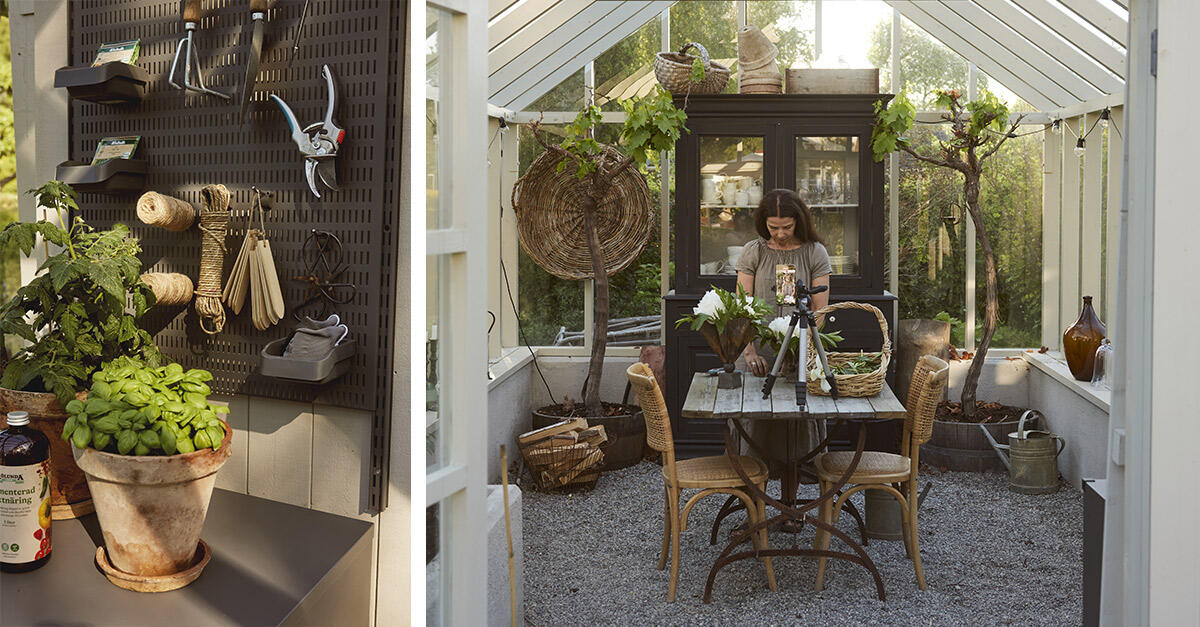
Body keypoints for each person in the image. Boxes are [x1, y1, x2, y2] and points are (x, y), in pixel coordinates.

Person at [734, 188, 832, 480]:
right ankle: (755, 506)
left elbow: (820, 311)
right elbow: (742, 304)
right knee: (754, 426)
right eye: (772, 227)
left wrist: (798, 352)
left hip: (799, 354)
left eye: (786, 227)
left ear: (798, 221)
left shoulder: (814, 251)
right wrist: (749, 352)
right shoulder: (754, 251)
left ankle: (796, 507)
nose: (779, 234)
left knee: (800, 430)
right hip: (758, 355)